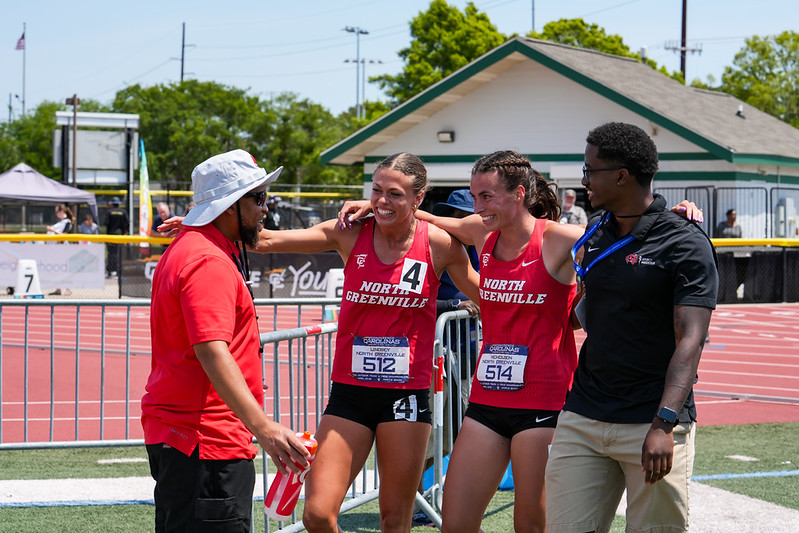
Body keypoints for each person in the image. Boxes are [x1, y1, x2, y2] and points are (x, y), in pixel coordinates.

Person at [337, 152, 705, 533]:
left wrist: (671, 217)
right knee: (456, 524)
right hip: (486, 402)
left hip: (544, 404)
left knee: (530, 526)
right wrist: (375, 205)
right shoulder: (481, 233)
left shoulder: (560, 239)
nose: (478, 207)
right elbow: (419, 215)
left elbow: (631, 237)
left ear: (519, 194)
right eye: (474, 196)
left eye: (487, 197)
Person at [159, 152, 480, 533]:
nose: (381, 201)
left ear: (418, 197)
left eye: (395, 194)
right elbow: (262, 240)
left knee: (395, 520)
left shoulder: (440, 244)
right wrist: (207, 221)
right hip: (350, 396)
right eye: (376, 190)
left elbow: (488, 296)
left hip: (406, 397)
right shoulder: (349, 231)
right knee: (317, 515)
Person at [545, 122, 718, 533]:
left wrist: (663, 423)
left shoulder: (684, 242)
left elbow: (690, 340)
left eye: (590, 170)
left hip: (652, 421)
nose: (583, 179)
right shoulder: (597, 232)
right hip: (584, 414)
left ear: (621, 175)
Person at [140, 149, 311, 533]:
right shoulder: (207, 260)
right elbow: (211, 350)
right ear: (231, 206)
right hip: (206, 443)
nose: (265, 208)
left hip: (190, 438)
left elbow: (211, 348)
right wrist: (264, 427)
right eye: (258, 197)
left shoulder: (193, 247)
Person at [46, 204, 76, 296]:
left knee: (65, 268)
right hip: (57, 248)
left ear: (61, 211)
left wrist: (52, 230)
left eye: (57, 212)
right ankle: (58, 289)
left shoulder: (67, 222)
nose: (56, 214)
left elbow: (63, 235)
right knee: (58, 268)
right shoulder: (61, 222)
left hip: (64, 248)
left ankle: (68, 289)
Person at [104, 197, 129, 277]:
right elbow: (127, 224)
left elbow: (106, 223)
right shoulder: (123, 212)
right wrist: (124, 232)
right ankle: (119, 272)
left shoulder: (109, 212)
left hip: (111, 235)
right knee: (119, 254)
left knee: (110, 254)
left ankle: (110, 272)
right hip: (120, 236)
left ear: (112, 203)